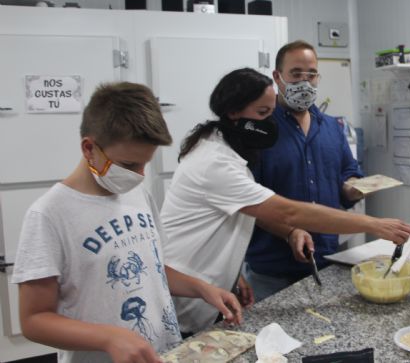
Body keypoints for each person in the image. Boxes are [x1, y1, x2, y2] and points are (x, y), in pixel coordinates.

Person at [160, 68, 410, 334]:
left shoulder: (224, 151)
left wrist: (235, 271)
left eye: (271, 113)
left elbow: (247, 212)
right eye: (262, 114)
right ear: (234, 112)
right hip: (182, 300)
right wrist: (373, 225)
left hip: (208, 292)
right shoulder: (215, 162)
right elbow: (287, 212)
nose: (270, 122)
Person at [11, 82, 243, 363]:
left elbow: (151, 269)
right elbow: (34, 319)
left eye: (145, 163)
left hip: (161, 352)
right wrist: (109, 337)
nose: (140, 175)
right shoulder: (49, 215)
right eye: (129, 165)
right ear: (89, 148)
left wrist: (203, 289)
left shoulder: (137, 194)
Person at [244, 40, 365, 301]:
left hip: (325, 261)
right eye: (296, 74)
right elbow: (249, 200)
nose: (305, 82)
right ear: (277, 77)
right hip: (271, 272)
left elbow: (348, 172)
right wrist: (288, 231)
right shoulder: (258, 129)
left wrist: (353, 188)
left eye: (311, 75)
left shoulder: (332, 127)